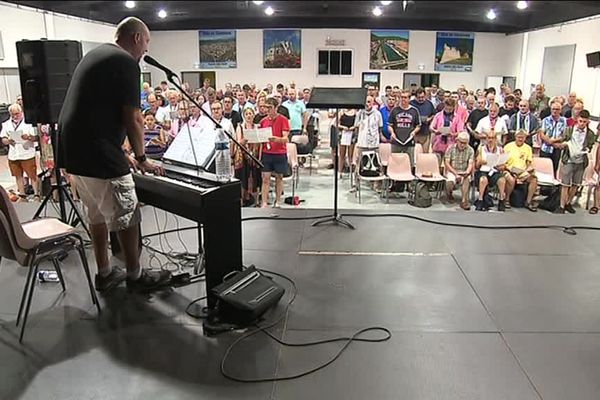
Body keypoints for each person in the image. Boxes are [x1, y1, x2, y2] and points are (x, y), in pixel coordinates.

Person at [59, 17, 170, 292]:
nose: (146, 49)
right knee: (127, 211)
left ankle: (105, 272)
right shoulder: (125, 62)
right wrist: (142, 158)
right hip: (98, 154)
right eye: (146, 42)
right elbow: (133, 116)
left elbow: (95, 112)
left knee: (96, 214)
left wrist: (121, 150)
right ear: (135, 38)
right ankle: (135, 275)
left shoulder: (96, 55)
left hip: (74, 153)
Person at [554, 110, 596, 214]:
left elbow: (590, 145)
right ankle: (561, 206)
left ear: (588, 122)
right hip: (568, 159)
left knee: (576, 184)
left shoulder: (590, 134)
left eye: (584, 122)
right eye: (580, 121)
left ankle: (568, 203)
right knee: (565, 184)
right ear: (577, 119)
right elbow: (562, 140)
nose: (582, 124)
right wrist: (562, 145)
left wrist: (586, 150)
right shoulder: (569, 130)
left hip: (581, 161)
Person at [0, 103, 40, 201]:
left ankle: (36, 195)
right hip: (14, 154)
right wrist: (8, 141)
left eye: (17, 114)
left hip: (27, 153)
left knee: (32, 175)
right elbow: (3, 139)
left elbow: (36, 138)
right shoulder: (6, 124)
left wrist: (29, 137)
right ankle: (22, 195)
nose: (15, 116)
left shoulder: (28, 123)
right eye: (12, 114)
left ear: (21, 112)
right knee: (18, 176)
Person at [259, 97, 289, 208]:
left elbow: (286, 138)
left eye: (270, 108)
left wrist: (276, 139)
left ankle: (277, 201)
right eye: (266, 107)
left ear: (276, 108)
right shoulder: (263, 121)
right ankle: (264, 202)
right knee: (265, 178)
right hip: (267, 152)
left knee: (279, 177)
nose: (267, 110)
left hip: (279, 152)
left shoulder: (283, 120)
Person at [504, 129, 538, 212]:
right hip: (509, 169)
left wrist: (527, 171)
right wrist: (511, 171)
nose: (520, 139)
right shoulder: (508, 146)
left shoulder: (528, 148)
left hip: (522, 171)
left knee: (534, 179)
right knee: (511, 180)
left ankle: (528, 202)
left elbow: (529, 164)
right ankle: (506, 200)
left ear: (525, 138)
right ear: (515, 137)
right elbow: (502, 162)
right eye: (519, 137)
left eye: (522, 137)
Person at [474, 130, 509, 211]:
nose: (490, 140)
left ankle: (501, 200)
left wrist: (501, 167)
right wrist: (480, 161)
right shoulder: (481, 149)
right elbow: (476, 165)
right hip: (483, 171)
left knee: (502, 180)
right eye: (489, 138)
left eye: (492, 138)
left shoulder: (500, 149)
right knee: (483, 179)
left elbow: (504, 165)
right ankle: (480, 200)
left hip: (495, 171)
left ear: (496, 139)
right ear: (486, 139)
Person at [234, 107, 262, 207]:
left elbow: (260, 141)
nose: (249, 116)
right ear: (244, 116)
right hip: (243, 155)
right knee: (242, 177)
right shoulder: (240, 127)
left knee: (256, 177)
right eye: (247, 114)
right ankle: (242, 200)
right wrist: (244, 140)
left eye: (250, 114)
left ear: (253, 115)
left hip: (254, 155)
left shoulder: (257, 127)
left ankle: (256, 201)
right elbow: (238, 142)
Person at [388, 90, 421, 165]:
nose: (403, 99)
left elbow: (418, 126)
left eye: (405, 97)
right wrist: (392, 133)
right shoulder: (394, 110)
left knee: (410, 163)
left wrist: (414, 132)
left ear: (409, 99)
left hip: (409, 142)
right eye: (401, 97)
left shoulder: (414, 111)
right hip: (396, 141)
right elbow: (390, 125)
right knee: (395, 163)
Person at [444, 131, 474, 210]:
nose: (462, 144)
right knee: (449, 182)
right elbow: (447, 163)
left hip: (464, 171)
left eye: (465, 143)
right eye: (461, 142)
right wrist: (455, 173)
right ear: (457, 140)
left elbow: (470, 163)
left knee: (467, 178)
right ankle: (449, 193)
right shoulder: (450, 148)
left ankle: (464, 201)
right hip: (452, 171)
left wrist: (467, 171)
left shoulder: (470, 150)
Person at [539, 101, 568, 174]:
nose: (555, 111)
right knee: (543, 169)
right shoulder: (545, 120)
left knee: (554, 169)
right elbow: (542, 134)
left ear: (560, 110)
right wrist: (550, 141)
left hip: (557, 149)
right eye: (553, 109)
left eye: (557, 109)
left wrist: (553, 141)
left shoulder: (564, 121)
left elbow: (565, 135)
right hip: (545, 149)